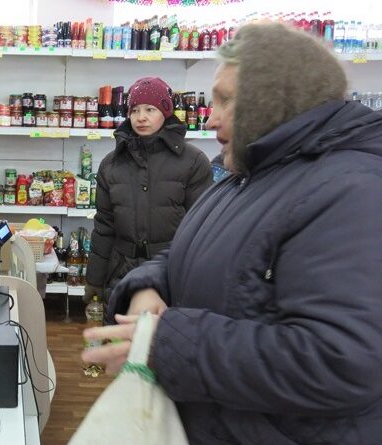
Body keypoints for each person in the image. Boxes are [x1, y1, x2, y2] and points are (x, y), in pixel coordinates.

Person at [82, 22, 382, 444]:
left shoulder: (352, 190)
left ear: (273, 98)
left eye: (225, 99)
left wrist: (169, 344)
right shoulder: (248, 178)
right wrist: (147, 286)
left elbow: (341, 360)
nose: (212, 116)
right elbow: (191, 253)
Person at [84, 77, 212, 304]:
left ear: (165, 112)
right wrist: (94, 278)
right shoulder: (111, 164)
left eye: (150, 109)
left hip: (170, 276)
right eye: (134, 110)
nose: (141, 117)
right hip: (121, 274)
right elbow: (104, 226)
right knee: (117, 337)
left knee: (165, 338)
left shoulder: (193, 162)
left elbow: (202, 229)